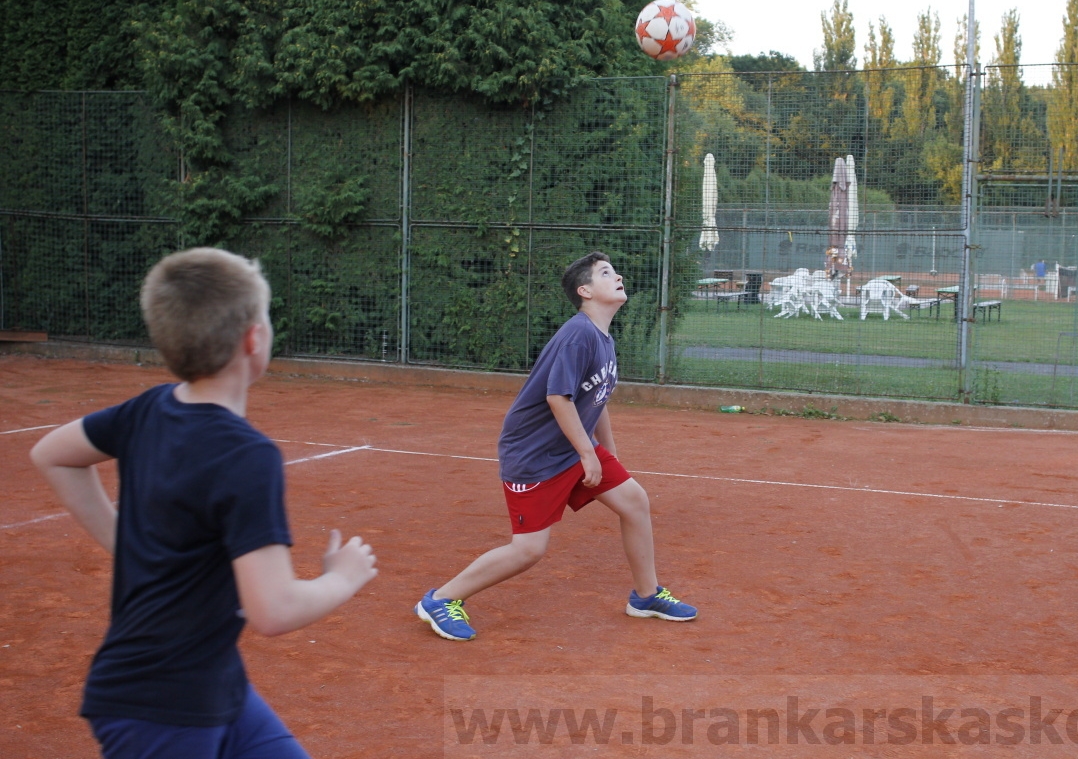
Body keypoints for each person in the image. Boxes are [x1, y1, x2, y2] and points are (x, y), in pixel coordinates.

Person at [29, 248, 378, 758]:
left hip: (214, 683)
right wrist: (342, 578)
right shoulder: (247, 455)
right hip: (160, 704)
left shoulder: (148, 408)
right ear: (254, 339)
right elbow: (273, 611)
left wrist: (124, 543)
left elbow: (52, 454)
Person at [415, 251, 696, 641]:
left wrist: (607, 453)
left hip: (570, 446)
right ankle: (441, 599)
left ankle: (646, 596)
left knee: (634, 501)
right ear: (585, 291)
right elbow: (558, 398)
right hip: (535, 455)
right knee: (528, 549)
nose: (618, 277)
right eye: (606, 273)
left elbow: (596, 399)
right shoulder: (578, 333)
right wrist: (587, 453)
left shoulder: (602, 337)